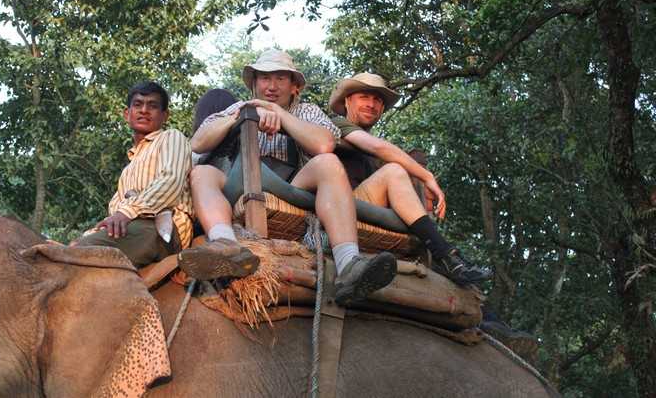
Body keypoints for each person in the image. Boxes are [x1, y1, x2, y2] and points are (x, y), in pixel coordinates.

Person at [181, 49, 397, 305]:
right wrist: (245, 115)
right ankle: (225, 246)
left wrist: (279, 115)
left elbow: (324, 144)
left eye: (280, 79)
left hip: (289, 183)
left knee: (328, 162)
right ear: (254, 83)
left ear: (294, 86)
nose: (271, 86)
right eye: (264, 78)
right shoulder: (238, 107)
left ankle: (349, 262)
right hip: (240, 180)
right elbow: (198, 142)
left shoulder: (307, 111)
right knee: (202, 172)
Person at [328, 72, 492, 285]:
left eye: (377, 100)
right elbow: (378, 148)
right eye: (364, 97)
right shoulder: (335, 124)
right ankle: (446, 256)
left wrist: (418, 188)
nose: (371, 104)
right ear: (347, 101)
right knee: (395, 171)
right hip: (337, 210)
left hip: (365, 207)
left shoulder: (374, 150)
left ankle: (448, 260)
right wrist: (426, 177)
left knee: (399, 171)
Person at [72, 81, 193, 267]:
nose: (144, 110)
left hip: (164, 227)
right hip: (134, 226)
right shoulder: (129, 168)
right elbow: (115, 208)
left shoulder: (171, 137)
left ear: (165, 115)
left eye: (152, 106)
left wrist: (127, 211)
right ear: (127, 114)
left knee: (80, 253)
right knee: (70, 246)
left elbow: (171, 180)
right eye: (138, 104)